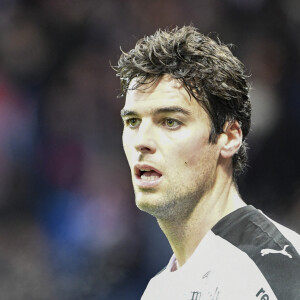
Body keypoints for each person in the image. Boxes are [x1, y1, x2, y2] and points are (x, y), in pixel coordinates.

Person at [114, 26, 300, 299]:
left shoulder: (275, 275)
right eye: (133, 122)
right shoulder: (158, 291)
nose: (142, 141)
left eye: (170, 121)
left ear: (229, 138)